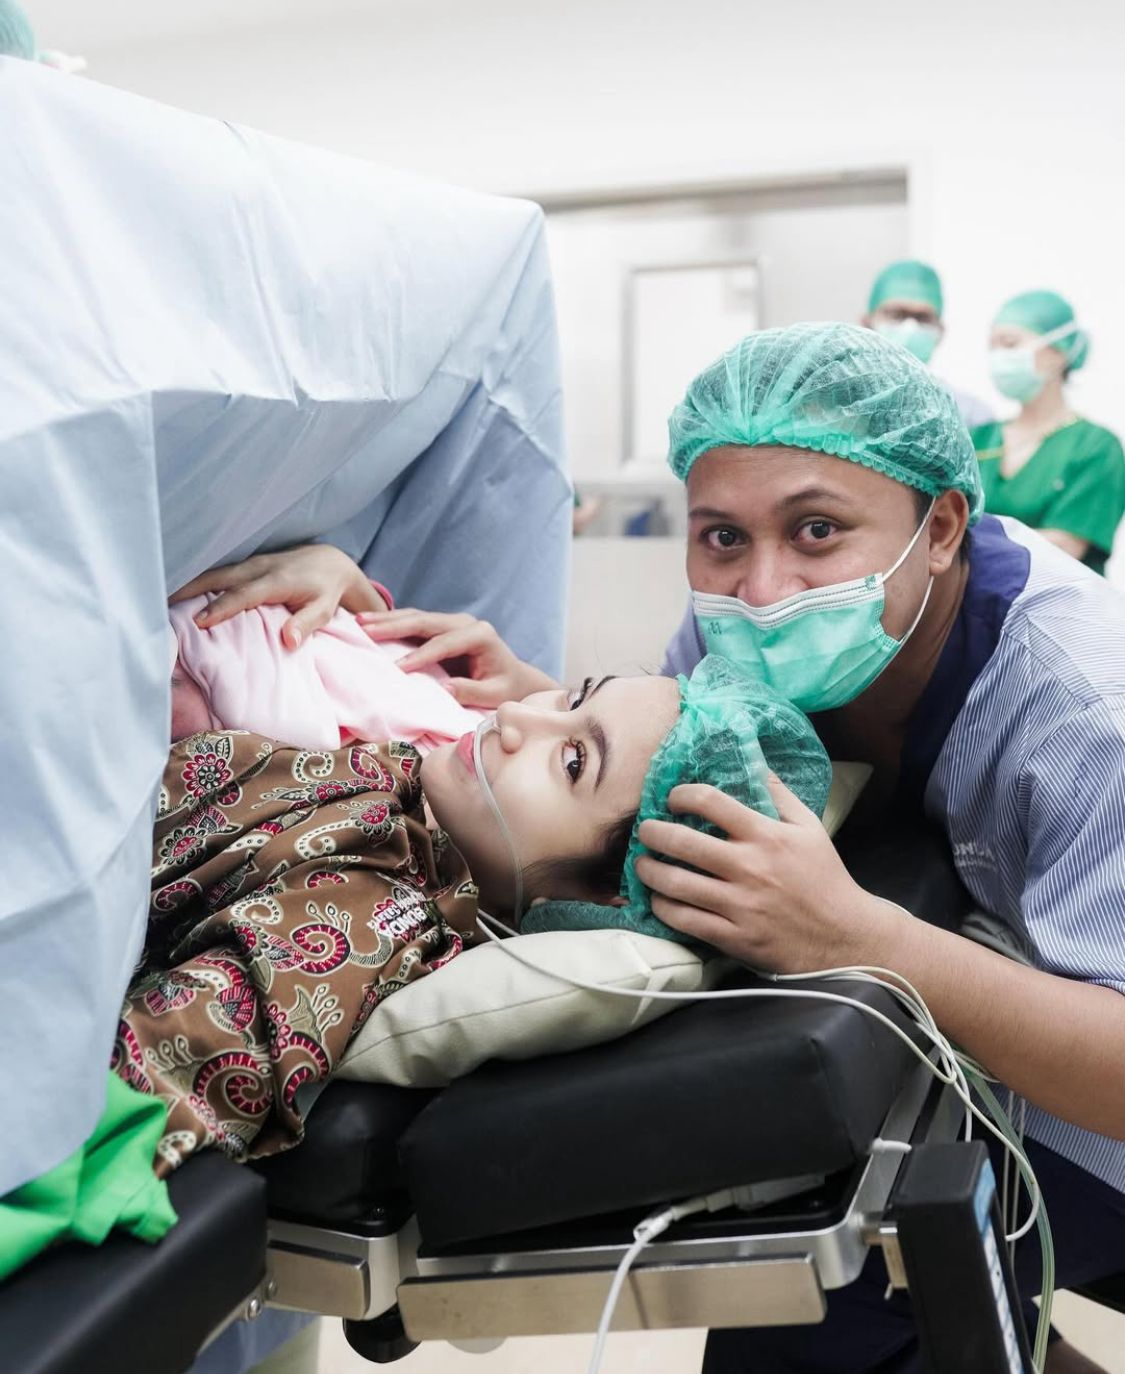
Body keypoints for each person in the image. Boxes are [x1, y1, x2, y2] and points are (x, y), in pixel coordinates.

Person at [204, 323, 1125, 1374]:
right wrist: (512, 689)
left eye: (818, 530)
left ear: (944, 526)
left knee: (825, 1315)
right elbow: (639, 776)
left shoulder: (1084, 713)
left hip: (1094, 1107)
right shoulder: (741, 633)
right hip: (982, 1032)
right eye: (721, 537)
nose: (763, 591)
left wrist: (861, 937)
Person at [972, 290, 1125, 574]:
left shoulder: (1096, 447)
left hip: (1059, 611)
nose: (998, 356)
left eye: (1010, 343)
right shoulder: (976, 439)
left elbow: (1065, 546)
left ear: (1058, 353)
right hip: (972, 610)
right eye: (993, 346)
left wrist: (961, 540)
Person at [863, 258, 993, 430]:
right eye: (896, 314)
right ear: (866, 324)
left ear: (940, 332)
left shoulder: (971, 416)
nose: (910, 327)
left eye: (922, 318)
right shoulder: (837, 405)